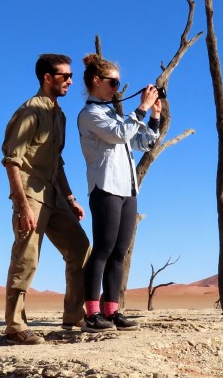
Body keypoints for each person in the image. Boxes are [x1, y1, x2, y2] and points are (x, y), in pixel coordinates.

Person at [0, 53, 91, 345]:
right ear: (47, 78)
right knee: (27, 256)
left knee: (80, 247)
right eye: (64, 76)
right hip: (31, 192)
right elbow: (12, 161)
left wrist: (70, 196)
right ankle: (15, 326)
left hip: (54, 193)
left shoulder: (59, 115)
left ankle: (74, 317)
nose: (71, 81)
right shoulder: (29, 112)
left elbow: (58, 162)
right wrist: (22, 204)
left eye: (71, 75)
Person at [76, 53, 161, 332]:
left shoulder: (112, 113)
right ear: (97, 81)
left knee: (119, 252)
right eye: (113, 83)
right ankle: (91, 314)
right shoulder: (89, 114)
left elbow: (141, 142)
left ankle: (111, 311)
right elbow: (120, 134)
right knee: (102, 249)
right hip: (105, 188)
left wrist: (155, 116)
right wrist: (141, 108)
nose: (116, 88)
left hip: (127, 189)